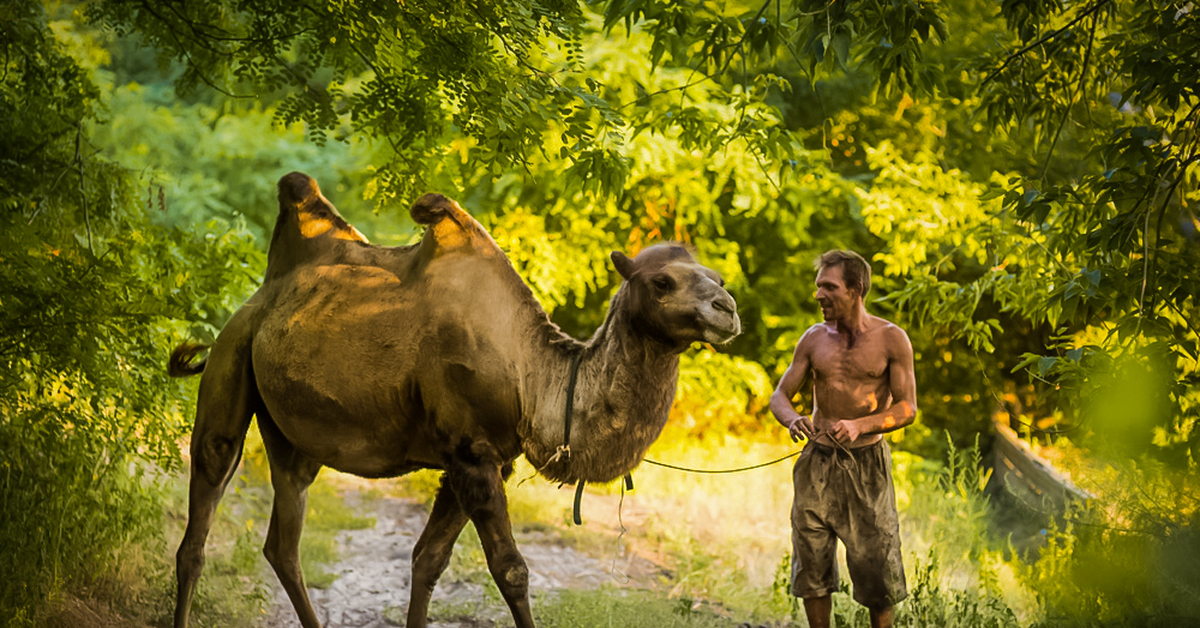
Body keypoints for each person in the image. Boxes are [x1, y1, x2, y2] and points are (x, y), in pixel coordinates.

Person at [769, 249, 917, 628]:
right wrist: (791, 418)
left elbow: (907, 409)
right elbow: (779, 395)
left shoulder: (891, 339)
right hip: (816, 463)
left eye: (829, 287)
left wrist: (860, 425)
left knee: (877, 566)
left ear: (856, 289)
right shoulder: (813, 338)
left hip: (866, 467)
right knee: (811, 562)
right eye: (818, 286)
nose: (819, 295)